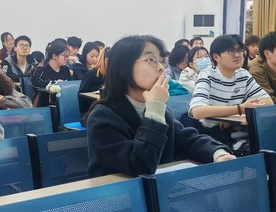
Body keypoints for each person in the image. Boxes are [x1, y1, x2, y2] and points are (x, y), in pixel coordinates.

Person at [87, 35, 235, 177]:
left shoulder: (160, 110)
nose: (161, 68)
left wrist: (217, 153)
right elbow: (140, 166)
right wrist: (155, 109)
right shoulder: (102, 116)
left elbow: (185, 140)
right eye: (151, 60)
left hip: (159, 188)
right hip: (120, 192)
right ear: (123, 67)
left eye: (161, 61)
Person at [188, 34, 273, 151]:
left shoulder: (243, 74)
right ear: (216, 56)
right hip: (206, 133)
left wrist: (229, 115)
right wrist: (238, 109)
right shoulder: (207, 75)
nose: (237, 55)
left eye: (240, 50)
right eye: (230, 51)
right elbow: (197, 111)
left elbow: (268, 102)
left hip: (231, 129)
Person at [30, 40, 72, 106]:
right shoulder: (41, 68)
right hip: (44, 102)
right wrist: (54, 83)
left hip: (62, 101)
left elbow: (70, 84)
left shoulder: (65, 69)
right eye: (65, 56)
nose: (67, 59)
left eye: (68, 56)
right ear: (54, 56)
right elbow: (34, 82)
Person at [79, 46, 110, 117]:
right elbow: (82, 96)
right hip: (90, 112)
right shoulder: (92, 74)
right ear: (106, 61)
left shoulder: (113, 75)